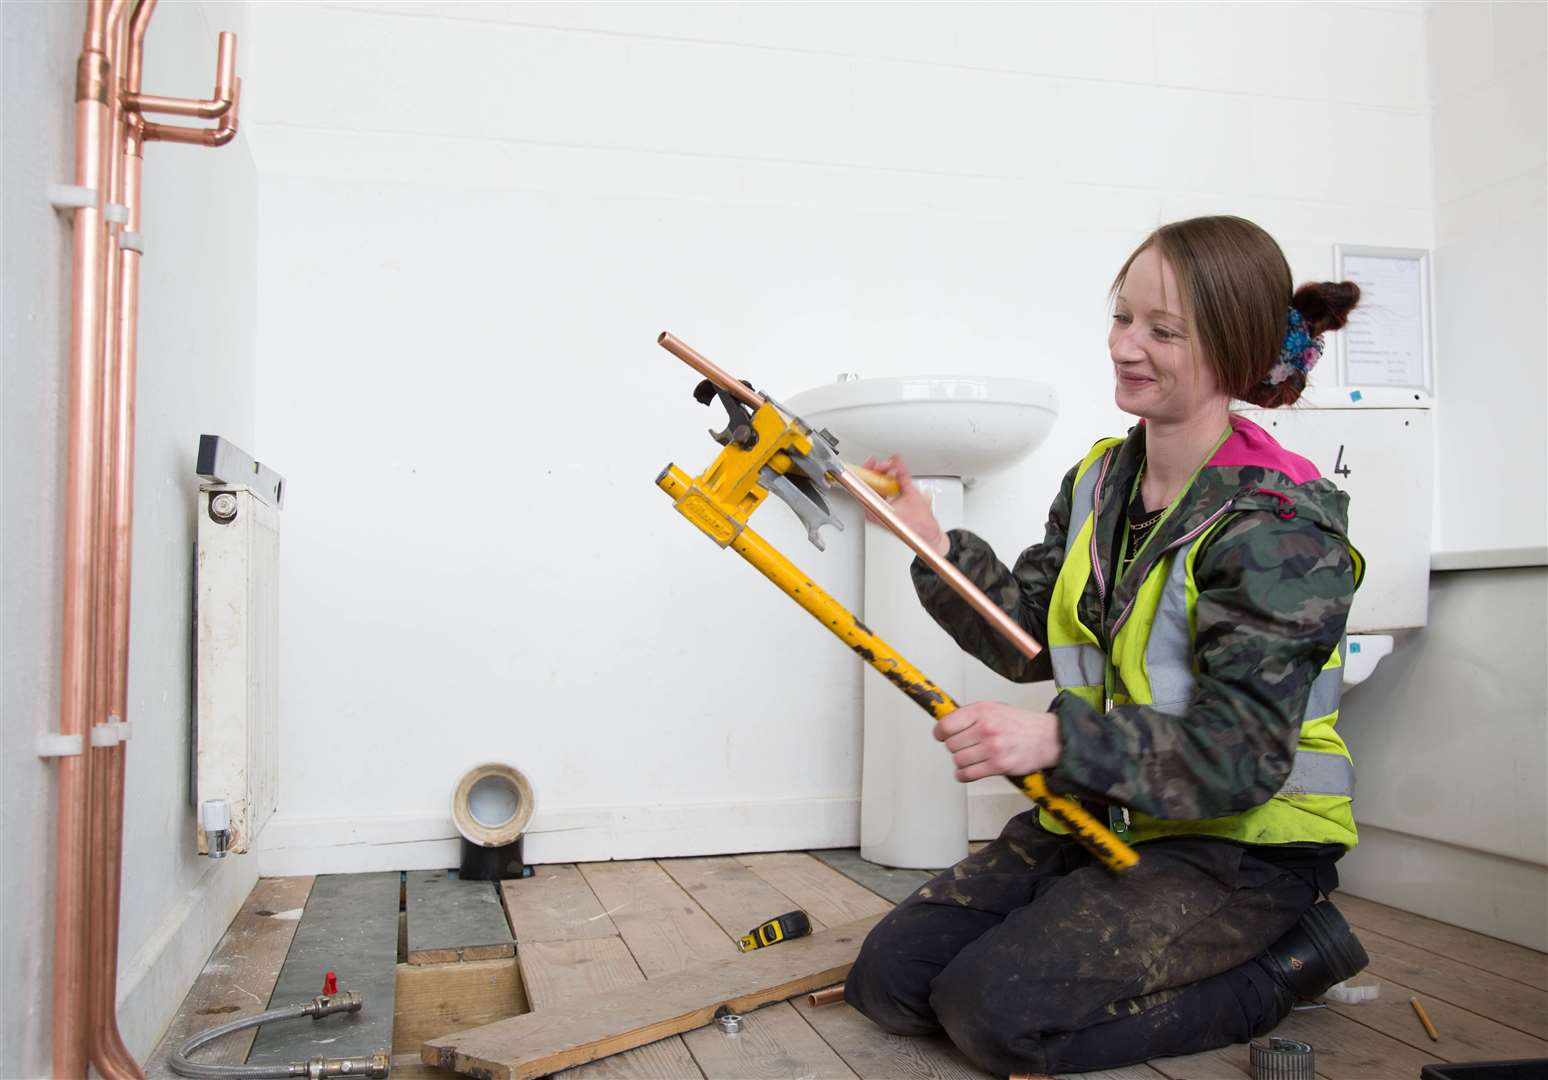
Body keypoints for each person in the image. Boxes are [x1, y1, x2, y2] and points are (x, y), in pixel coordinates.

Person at [845, 216, 1370, 1075]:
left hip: (1238, 846)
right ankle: (1078, 912)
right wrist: (928, 543)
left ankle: (1289, 960)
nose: (1128, 347)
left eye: (1163, 331)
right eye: (1123, 318)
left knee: (993, 1018)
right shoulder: (1099, 479)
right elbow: (1026, 640)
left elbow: (1240, 760)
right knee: (892, 984)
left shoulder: (1276, 527)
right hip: (1104, 811)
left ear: (1234, 351)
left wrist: (1057, 740)